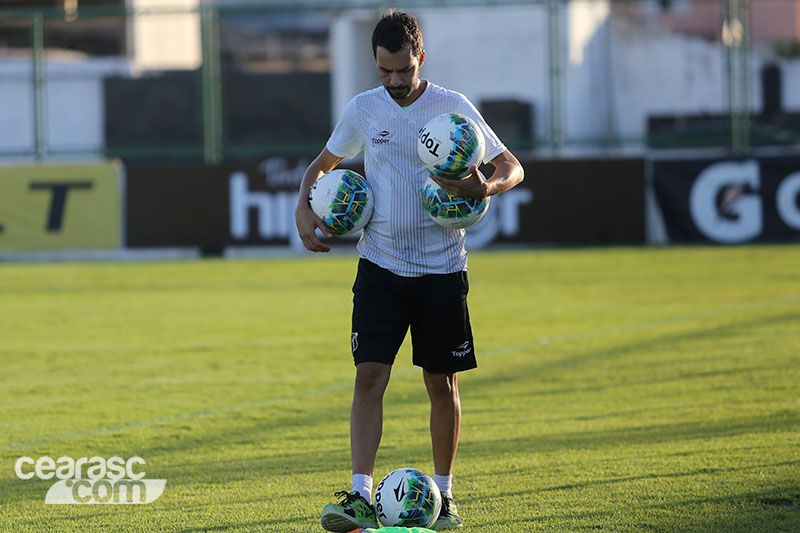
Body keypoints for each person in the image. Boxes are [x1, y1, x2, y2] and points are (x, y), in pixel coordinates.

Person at [294, 9, 524, 532]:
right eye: (385, 71)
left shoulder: (452, 108)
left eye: (404, 70)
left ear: (421, 58)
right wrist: (303, 207)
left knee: (440, 385)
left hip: (442, 270)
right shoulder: (364, 109)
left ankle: (444, 498)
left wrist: (484, 186)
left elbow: (513, 164)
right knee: (368, 376)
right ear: (374, 64)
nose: (395, 82)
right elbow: (321, 165)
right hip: (379, 266)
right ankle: (359, 496)